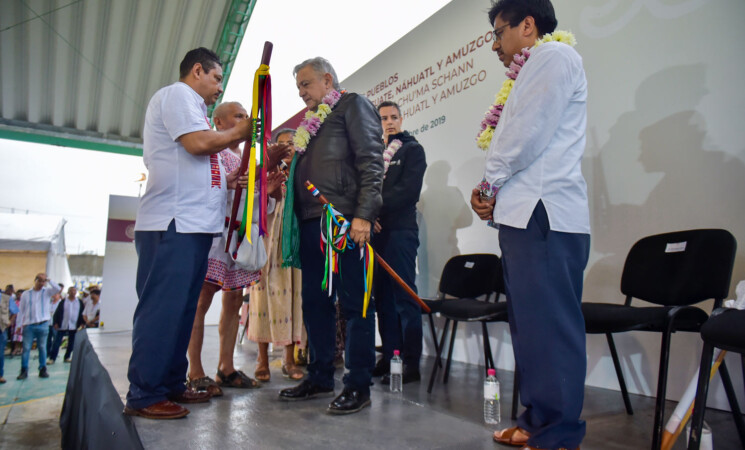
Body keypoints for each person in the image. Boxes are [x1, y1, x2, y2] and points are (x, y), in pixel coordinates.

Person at [471, 1, 591, 449]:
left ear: (527, 24)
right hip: (526, 214)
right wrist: (496, 195)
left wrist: (488, 183)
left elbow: (527, 133)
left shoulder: (552, 57)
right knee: (532, 326)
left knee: (550, 327)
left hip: (546, 213)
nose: (496, 46)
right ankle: (538, 419)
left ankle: (558, 435)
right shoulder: (532, 67)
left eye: (498, 34)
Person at [124, 47, 253, 420]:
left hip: (194, 226)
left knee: (181, 312)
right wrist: (243, 129)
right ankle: (145, 394)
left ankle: (169, 383)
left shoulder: (194, 109)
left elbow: (198, 165)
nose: (218, 87)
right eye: (216, 78)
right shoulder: (179, 94)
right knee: (162, 311)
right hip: (172, 223)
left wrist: (227, 180)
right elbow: (197, 145)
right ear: (197, 70)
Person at [278, 57, 384, 415]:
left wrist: (364, 215)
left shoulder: (352, 105)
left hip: (342, 223)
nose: (301, 94)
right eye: (298, 88)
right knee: (315, 303)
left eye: (305, 85)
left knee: (355, 304)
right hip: (311, 222)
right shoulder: (314, 122)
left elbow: (371, 159)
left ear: (327, 80)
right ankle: (320, 375)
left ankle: (358, 385)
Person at [186, 101, 283, 395]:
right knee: (200, 303)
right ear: (218, 121)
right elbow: (211, 193)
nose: (245, 120)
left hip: (238, 241)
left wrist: (271, 193)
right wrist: (260, 172)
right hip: (216, 239)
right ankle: (195, 371)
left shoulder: (248, 157)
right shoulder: (211, 152)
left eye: (246, 116)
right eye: (238, 116)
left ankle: (225, 368)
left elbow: (256, 210)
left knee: (232, 302)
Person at [371, 101, 427, 385]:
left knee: (405, 296)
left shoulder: (412, 150)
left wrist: (373, 211)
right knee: (382, 298)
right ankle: (391, 356)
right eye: (383, 118)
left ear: (402, 120)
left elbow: (407, 192)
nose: (389, 122)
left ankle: (411, 363)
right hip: (374, 234)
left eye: (394, 117)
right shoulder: (373, 154)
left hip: (400, 232)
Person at [248, 128, 306, 383]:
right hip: (267, 239)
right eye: (281, 144)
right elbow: (251, 204)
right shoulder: (264, 172)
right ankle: (262, 359)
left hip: (293, 242)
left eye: (291, 144)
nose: (287, 148)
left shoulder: (304, 172)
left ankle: (289, 359)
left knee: (294, 297)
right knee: (263, 297)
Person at [17, 273, 61, 379]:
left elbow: (57, 288)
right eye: (40, 280)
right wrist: (19, 325)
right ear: (35, 280)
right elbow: (21, 311)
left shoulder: (47, 292)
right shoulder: (26, 294)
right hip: (29, 325)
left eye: (43, 281)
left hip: (43, 324)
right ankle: (24, 370)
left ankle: (42, 369)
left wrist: (49, 280)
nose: (42, 283)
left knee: (42, 347)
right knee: (26, 348)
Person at [48, 287, 84, 364]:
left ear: (76, 292)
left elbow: (82, 313)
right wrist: (55, 323)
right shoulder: (63, 301)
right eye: (71, 291)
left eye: (74, 291)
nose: (72, 292)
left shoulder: (79, 302)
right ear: (68, 292)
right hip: (63, 324)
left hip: (74, 325)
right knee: (57, 342)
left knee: (71, 342)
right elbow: (57, 313)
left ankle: (67, 357)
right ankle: (52, 358)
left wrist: (82, 323)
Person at [0, 289, 10, 383]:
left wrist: (9, 321)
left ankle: (0, 375)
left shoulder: (5, 298)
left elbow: (15, 310)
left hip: (1, 329)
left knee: (0, 353)